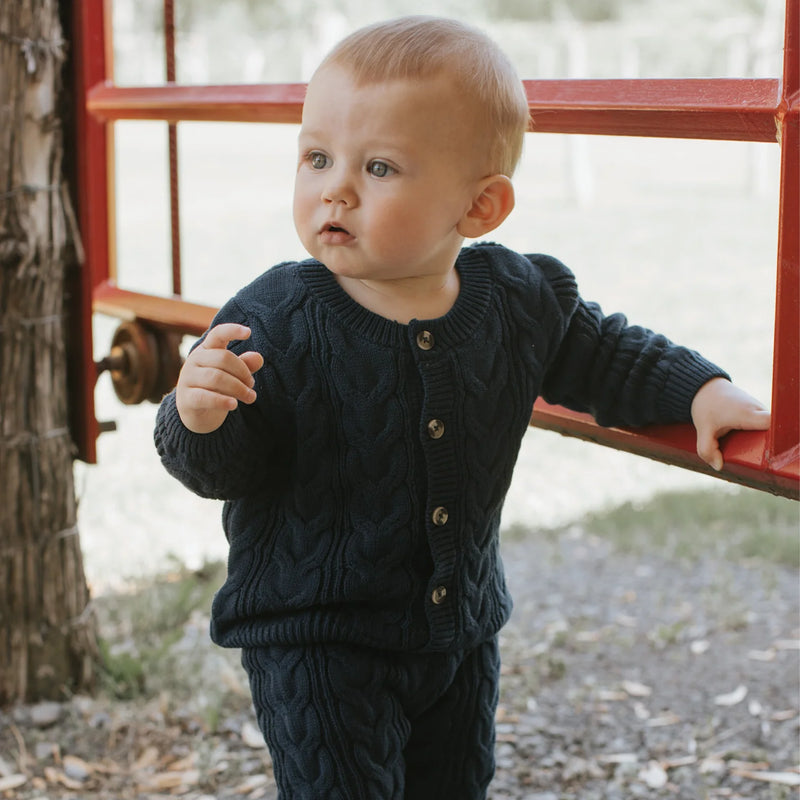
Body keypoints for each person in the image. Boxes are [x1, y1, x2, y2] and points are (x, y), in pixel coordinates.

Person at [154, 15, 770, 799]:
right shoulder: (276, 316)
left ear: (480, 208)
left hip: (460, 634)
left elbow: (603, 352)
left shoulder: (515, 297)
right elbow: (225, 467)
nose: (333, 187)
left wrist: (697, 387)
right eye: (316, 157)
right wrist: (198, 416)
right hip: (318, 642)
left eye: (379, 167)